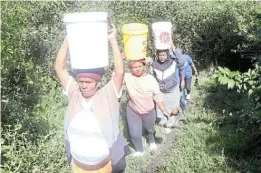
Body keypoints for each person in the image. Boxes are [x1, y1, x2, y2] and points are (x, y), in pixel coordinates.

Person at [54, 24, 130, 173]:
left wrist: (113, 40)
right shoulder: (74, 93)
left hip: (104, 167)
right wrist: (67, 39)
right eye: (81, 82)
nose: (83, 86)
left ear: (98, 83)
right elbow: (59, 68)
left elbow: (119, 72)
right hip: (77, 167)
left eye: (88, 82)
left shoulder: (107, 95)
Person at [123, 58, 170, 156]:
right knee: (135, 134)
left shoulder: (150, 79)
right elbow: (117, 76)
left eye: (140, 66)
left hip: (148, 111)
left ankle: (152, 142)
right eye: (135, 67)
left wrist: (164, 110)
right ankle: (139, 150)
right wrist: (120, 59)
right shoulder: (127, 77)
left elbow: (157, 96)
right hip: (133, 110)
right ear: (131, 68)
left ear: (144, 66)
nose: (138, 69)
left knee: (150, 129)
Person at [151, 44, 186, 128]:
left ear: (167, 55)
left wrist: (173, 49)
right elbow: (152, 77)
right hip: (161, 91)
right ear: (157, 55)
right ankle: (165, 118)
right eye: (160, 55)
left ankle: (173, 118)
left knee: (174, 108)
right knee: (162, 107)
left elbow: (182, 62)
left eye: (164, 55)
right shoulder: (154, 65)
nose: (162, 57)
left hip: (172, 89)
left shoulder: (173, 62)